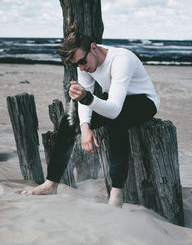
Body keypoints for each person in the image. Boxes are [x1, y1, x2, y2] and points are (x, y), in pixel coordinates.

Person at [21, 32, 160, 207]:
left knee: (116, 123)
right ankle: (51, 184)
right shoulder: (85, 66)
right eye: (76, 64)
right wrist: (85, 128)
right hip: (114, 100)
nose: (80, 68)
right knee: (69, 121)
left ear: (93, 48)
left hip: (143, 101)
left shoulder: (121, 59)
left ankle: (116, 194)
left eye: (82, 61)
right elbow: (85, 102)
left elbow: (114, 110)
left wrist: (87, 98)